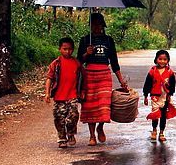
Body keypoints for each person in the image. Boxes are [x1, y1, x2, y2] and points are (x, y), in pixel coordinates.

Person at [77, 11, 128, 146]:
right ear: (89, 25)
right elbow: (78, 61)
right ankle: (92, 135)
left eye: (99, 24)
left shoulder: (109, 40)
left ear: (103, 25)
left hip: (104, 75)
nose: (96, 27)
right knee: (89, 106)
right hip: (89, 76)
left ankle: (101, 127)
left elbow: (114, 62)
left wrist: (121, 80)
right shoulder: (84, 40)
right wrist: (86, 54)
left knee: (104, 105)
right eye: (93, 24)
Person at [44, 37, 84, 148]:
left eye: (70, 49)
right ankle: (62, 138)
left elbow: (82, 78)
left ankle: (71, 133)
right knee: (59, 118)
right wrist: (47, 93)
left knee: (73, 116)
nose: (68, 51)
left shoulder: (76, 63)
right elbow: (49, 78)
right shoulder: (56, 64)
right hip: (59, 97)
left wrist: (82, 91)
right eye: (65, 49)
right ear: (60, 49)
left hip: (72, 95)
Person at [142, 49, 176, 142]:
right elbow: (147, 84)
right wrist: (145, 96)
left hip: (165, 97)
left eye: (165, 59)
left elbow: (173, 84)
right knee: (155, 115)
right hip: (155, 96)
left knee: (163, 115)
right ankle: (154, 131)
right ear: (156, 59)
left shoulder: (170, 72)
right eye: (160, 59)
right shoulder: (152, 71)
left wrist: (170, 94)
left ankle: (161, 132)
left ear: (168, 60)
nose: (162, 61)